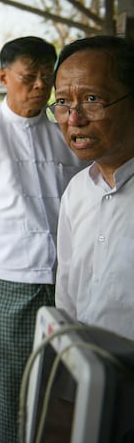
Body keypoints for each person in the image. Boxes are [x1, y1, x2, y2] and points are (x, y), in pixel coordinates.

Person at [0, 36, 86, 443]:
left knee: (63, 386)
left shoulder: (65, 131)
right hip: (7, 281)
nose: (40, 85)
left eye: (47, 76)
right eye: (29, 76)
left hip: (66, 280)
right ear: (3, 77)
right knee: (5, 388)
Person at [51, 35, 134, 341]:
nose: (74, 119)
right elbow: (67, 294)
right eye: (63, 102)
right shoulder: (77, 191)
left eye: (92, 99)